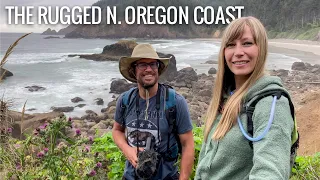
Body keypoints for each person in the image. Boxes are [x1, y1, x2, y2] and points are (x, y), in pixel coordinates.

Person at [195, 16, 295, 179]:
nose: (238, 52)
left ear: (261, 48)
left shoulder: (271, 103)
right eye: (231, 45)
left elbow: (270, 172)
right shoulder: (225, 98)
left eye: (247, 43)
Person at [112, 43, 194, 180]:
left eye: (153, 64)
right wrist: (127, 150)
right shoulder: (125, 100)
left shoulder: (175, 102)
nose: (149, 69)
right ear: (133, 70)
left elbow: (188, 144)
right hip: (131, 176)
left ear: (158, 68)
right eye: (143, 64)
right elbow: (117, 130)